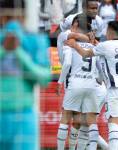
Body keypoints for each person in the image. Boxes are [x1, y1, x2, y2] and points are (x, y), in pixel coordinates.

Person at [65, 20, 118, 150]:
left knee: (113, 123)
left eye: (107, 31)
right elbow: (107, 54)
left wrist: (75, 45)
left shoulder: (106, 45)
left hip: (115, 89)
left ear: (110, 32)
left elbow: (86, 54)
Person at [0, 0, 51, 150]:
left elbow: (44, 79)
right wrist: (4, 50)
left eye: (17, 19)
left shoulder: (35, 40)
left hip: (23, 115)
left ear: (24, 17)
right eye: (9, 19)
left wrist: (18, 52)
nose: (13, 24)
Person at [56, 14, 100, 150]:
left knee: (66, 117)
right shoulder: (95, 46)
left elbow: (67, 63)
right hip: (92, 85)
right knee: (82, 120)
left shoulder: (69, 42)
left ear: (75, 24)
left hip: (74, 81)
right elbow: (99, 67)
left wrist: (60, 82)